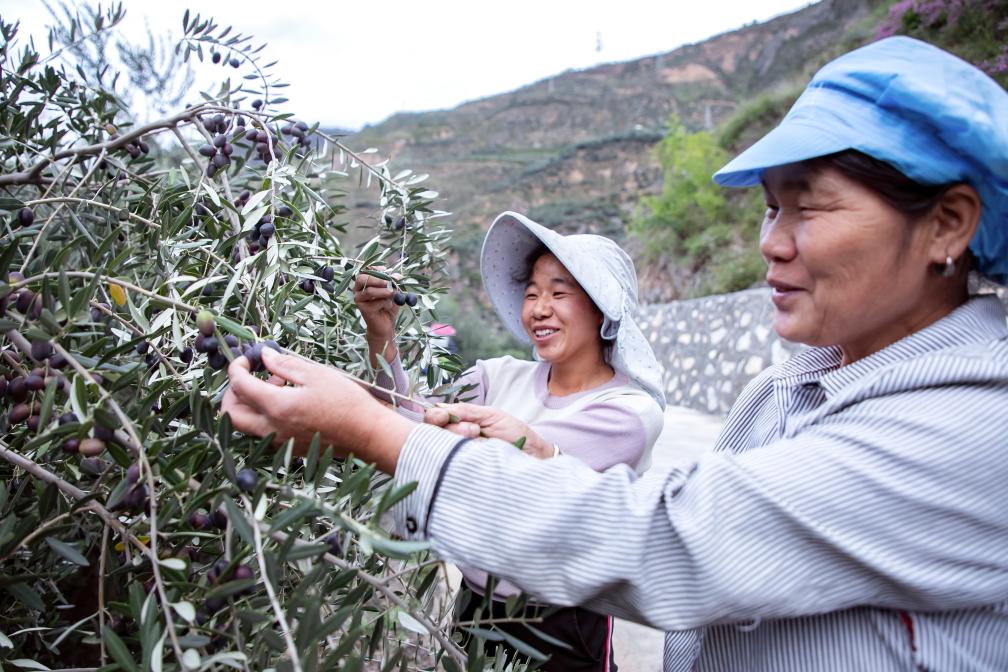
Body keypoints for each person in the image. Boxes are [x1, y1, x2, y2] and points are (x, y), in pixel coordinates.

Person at [222, 36, 1008, 671]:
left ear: (947, 224)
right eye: (771, 208)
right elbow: (416, 410)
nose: (770, 243)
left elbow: (664, 540)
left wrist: (369, 430)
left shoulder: (967, 430)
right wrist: (380, 360)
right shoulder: (792, 389)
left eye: (810, 206)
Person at [351, 213, 666, 669]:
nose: (538, 307)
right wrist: (381, 335)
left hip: (561, 624)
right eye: (532, 293)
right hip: (475, 607)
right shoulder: (495, 376)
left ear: (601, 309)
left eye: (559, 293)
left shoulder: (628, 413)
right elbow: (408, 418)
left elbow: (487, 467)